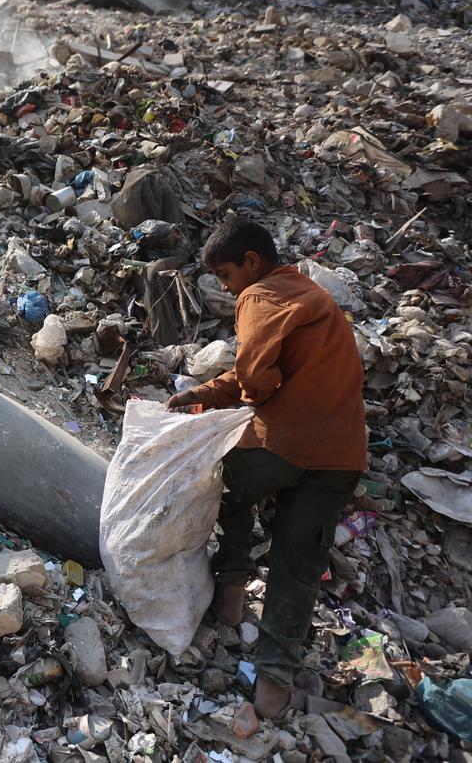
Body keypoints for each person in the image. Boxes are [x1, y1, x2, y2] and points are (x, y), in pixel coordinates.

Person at [166, 216, 366, 719]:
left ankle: (232, 583)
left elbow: (254, 375)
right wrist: (206, 393)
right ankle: (274, 684)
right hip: (341, 458)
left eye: (225, 275)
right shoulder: (313, 297)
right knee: (298, 564)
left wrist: (249, 394)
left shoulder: (259, 295)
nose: (225, 287)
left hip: (285, 446)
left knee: (222, 480)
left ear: (251, 262)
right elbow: (267, 370)